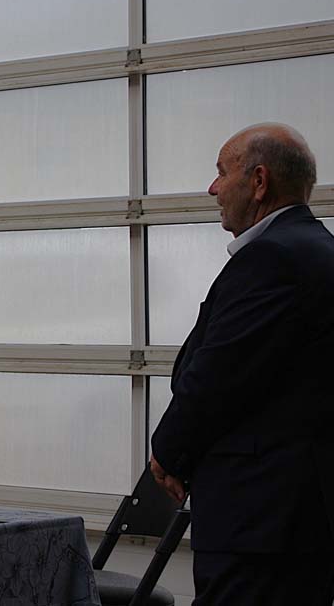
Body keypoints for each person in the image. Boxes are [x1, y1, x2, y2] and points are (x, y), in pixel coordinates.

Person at [150, 123, 334, 604]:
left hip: (259, 520)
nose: (213, 188)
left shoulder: (273, 258)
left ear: (259, 181)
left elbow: (218, 377)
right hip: (298, 518)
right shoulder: (319, 250)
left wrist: (167, 450)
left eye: (221, 172)